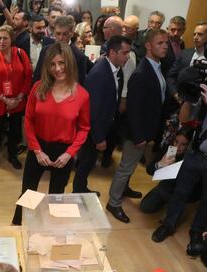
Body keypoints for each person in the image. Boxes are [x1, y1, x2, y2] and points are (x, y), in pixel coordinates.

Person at [11, 42, 90, 225]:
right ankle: (18, 226)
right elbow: (29, 120)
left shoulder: (82, 95)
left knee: (57, 196)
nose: (57, 69)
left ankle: (52, 230)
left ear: (69, 63)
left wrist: (69, 153)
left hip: (64, 151)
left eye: (61, 63)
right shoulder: (38, 88)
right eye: (52, 64)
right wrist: (37, 150)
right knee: (28, 193)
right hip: (38, 147)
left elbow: (84, 128)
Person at [106, 29, 169, 224]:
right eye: (160, 43)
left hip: (146, 130)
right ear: (148, 46)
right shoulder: (141, 73)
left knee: (131, 166)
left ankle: (124, 189)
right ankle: (113, 202)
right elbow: (133, 110)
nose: (165, 46)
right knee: (126, 166)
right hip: (136, 133)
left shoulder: (157, 67)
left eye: (166, 42)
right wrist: (140, 136)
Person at [152, 84, 207, 258]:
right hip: (195, 153)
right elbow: (184, 119)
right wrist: (189, 99)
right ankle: (168, 224)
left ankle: (197, 231)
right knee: (180, 191)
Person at [72, 35, 131, 196]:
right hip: (93, 130)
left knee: (87, 162)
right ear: (112, 52)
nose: (127, 57)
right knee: (87, 162)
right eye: (124, 53)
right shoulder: (100, 73)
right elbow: (93, 110)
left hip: (99, 127)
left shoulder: (112, 68)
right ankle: (78, 190)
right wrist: (99, 138)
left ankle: (80, 187)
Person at [0, 25, 33, 174]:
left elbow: (28, 76)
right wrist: (5, 100)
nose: (1, 41)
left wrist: (19, 97)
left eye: (5, 38)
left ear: (11, 39)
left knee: (15, 131)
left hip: (18, 101)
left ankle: (12, 156)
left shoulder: (20, 53)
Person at [140, 128, 199, 214]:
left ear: (189, 145)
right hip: (166, 186)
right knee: (145, 207)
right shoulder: (168, 149)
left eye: (183, 144)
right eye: (176, 141)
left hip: (183, 191)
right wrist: (159, 164)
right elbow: (149, 170)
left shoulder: (193, 157)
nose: (177, 147)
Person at [33, 15, 89, 86]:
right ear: (54, 32)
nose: (61, 37)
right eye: (58, 33)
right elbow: (37, 78)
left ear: (71, 33)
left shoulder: (79, 57)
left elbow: (79, 86)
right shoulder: (45, 51)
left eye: (65, 34)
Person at [167, 21, 207, 99]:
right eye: (194, 34)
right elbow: (171, 76)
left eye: (200, 34)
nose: (195, 37)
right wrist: (175, 94)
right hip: (179, 99)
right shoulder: (185, 53)